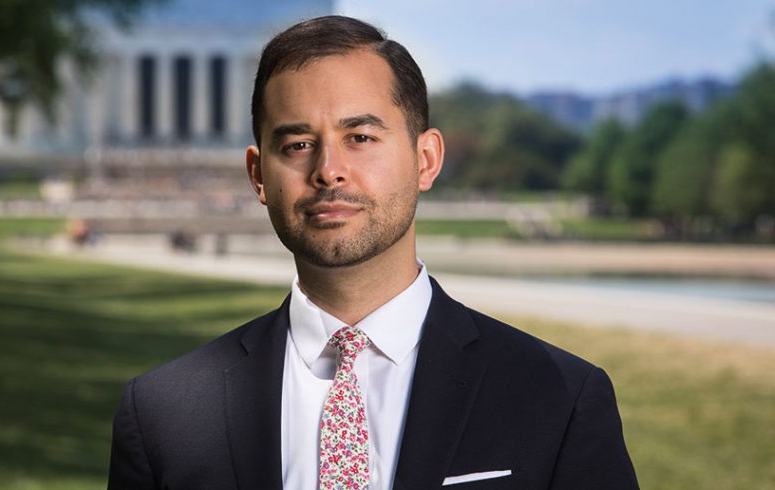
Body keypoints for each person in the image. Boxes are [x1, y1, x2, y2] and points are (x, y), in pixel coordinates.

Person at [109, 15, 638, 489]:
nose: (328, 170)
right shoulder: (165, 412)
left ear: (425, 159)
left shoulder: (558, 396)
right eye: (297, 145)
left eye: (360, 137)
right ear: (258, 175)